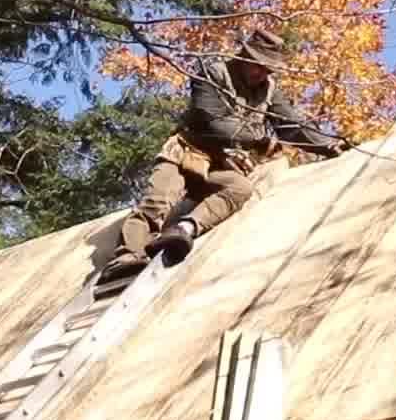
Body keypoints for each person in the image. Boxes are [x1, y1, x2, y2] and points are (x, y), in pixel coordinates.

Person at [100, 28, 347, 283]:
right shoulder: (211, 74)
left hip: (219, 162)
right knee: (157, 200)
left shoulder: (268, 89)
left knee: (240, 188)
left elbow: (291, 125)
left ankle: (185, 228)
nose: (262, 73)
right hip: (185, 151)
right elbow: (214, 122)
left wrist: (330, 145)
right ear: (244, 56)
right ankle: (127, 256)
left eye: (268, 69)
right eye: (259, 66)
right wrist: (259, 138)